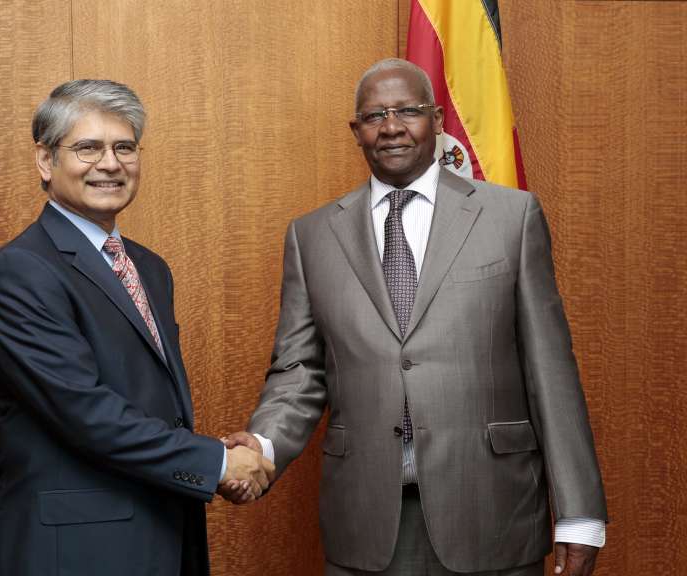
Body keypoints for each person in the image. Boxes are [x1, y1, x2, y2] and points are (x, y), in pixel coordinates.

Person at [224, 59, 607, 576]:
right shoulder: (311, 236)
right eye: (374, 115)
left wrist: (579, 514)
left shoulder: (511, 218)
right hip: (366, 517)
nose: (392, 126)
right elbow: (299, 371)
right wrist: (263, 446)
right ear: (356, 131)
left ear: (439, 119)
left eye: (409, 110)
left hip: (492, 509)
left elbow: (550, 373)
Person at [0, 79, 273, 576]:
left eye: (124, 147)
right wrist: (216, 464)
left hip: (160, 532)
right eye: (88, 148)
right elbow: (85, 412)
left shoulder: (149, 268)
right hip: (72, 552)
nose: (110, 164)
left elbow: (147, 403)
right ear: (46, 162)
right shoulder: (23, 270)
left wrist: (213, 454)